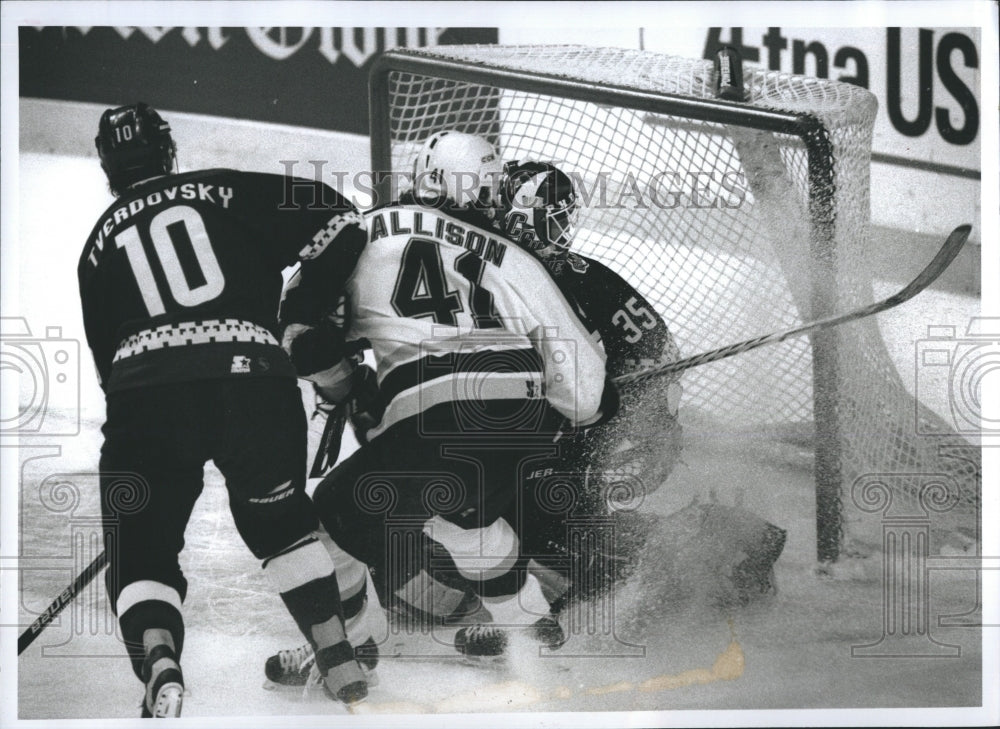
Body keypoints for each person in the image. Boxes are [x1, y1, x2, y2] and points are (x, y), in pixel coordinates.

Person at [278, 130, 617, 661]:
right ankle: (530, 626)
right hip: (517, 429)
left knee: (331, 513)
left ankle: (358, 641)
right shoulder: (512, 257)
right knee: (465, 516)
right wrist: (591, 405)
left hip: (435, 427)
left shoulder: (361, 234)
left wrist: (339, 374)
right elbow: (584, 387)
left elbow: (299, 331)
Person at [78, 103, 370, 716]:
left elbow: (111, 372)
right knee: (282, 524)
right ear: (168, 152)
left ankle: (161, 665)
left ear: (107, 168)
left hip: (145, 395)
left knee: (143, 551)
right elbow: (342, 223)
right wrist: (297, 314)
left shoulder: (97, 245)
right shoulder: (225, 189)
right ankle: (337, 656)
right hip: (253, 381)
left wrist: (155, 470)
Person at [495, 160, 684, 605]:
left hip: (618, 445)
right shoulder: (499, 278)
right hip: (562, 437)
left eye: (556, 221)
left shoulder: (588, 282)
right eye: (546, 221)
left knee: (538, 510)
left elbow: (662, 361)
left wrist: (617, 415)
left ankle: (658, 559)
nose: (552, 234)